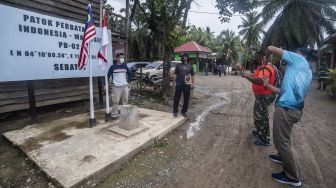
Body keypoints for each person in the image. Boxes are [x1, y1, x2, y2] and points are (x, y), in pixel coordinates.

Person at [262, 46, 312, 187]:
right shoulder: (306, 70)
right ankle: (280, 156)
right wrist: (267, 85)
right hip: (293, 109)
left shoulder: (298, 59)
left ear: (299, 54)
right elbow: (283, 91)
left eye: (294, 53)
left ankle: (292, 177)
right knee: (284, 138)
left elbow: (270, 48)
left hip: (286, 109)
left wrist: (266, 59)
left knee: (281, 140)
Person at [241, 51, 276, 146]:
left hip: (265, 96)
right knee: (258, 114)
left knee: (261, 116)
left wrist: (245, 76)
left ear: (263, 58)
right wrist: (247, 74)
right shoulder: (261, 68)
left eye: (256, 57)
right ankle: (259, 131)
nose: (254, 59)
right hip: (261, 96)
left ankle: (265, 139)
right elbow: (256, 76)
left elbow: (260, 81)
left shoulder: (267, 68)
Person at [107, 53, 132, 119]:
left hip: (125, 86)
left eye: (123, 57)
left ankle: (124, 113)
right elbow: (108, 75)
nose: (122, 59)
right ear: (117, 58)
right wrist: (105, 84)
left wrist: (129, 82)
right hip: (116, 86)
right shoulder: (113, 67)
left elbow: (130, 74)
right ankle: (114, 115)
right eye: (121, 57)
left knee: (125, 100)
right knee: (115, 101)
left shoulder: (125, 66)